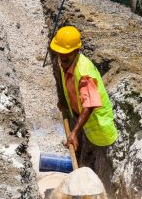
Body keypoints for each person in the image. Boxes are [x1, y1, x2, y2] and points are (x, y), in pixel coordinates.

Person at [50, 25, 118, 168]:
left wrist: (74, 132)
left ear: (76, 51)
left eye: (65, 55)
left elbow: (90, 104)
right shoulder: (65, 60)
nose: (61, 59)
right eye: (58, 54)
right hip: (81, 120)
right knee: (81, 155)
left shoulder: (84, 72)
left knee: (93, 164)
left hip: (98, 126)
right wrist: (64, 101)